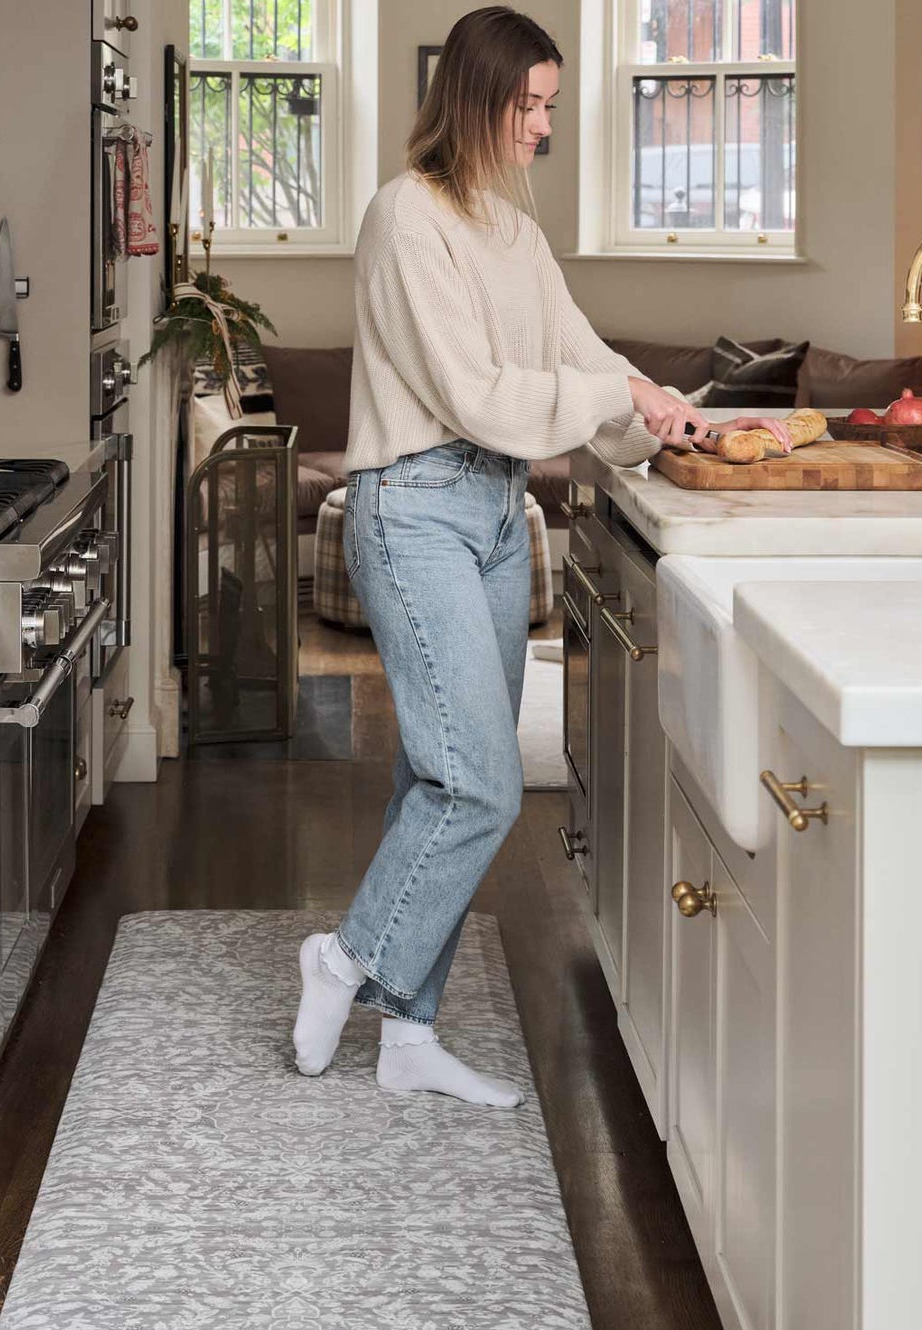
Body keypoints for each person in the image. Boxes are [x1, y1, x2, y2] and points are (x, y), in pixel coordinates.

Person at [292, 5, 793, 1107]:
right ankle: (342, 958)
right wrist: (617, 394)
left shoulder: (513, 233)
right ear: (477, 101)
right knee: (479, 779)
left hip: (493, 510)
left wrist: (657, 411)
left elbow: (577, 356)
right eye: (531, 107)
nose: (543, 130)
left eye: (551, 108)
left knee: (434, 773)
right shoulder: (403, 218)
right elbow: (473, 392)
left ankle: (408, 1034)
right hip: (413, 508)